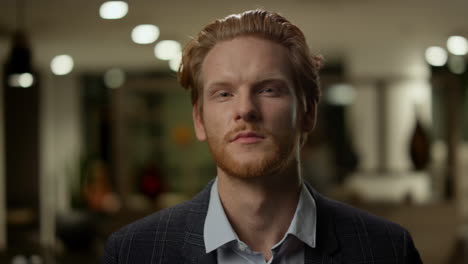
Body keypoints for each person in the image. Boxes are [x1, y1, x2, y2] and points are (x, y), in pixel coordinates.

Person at [103, 9, 422, 264]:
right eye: (224, 93)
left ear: (308, 112)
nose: (245, 110)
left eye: (269, 89)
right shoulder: (133, 253)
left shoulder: (387, 250)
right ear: (199, 119)